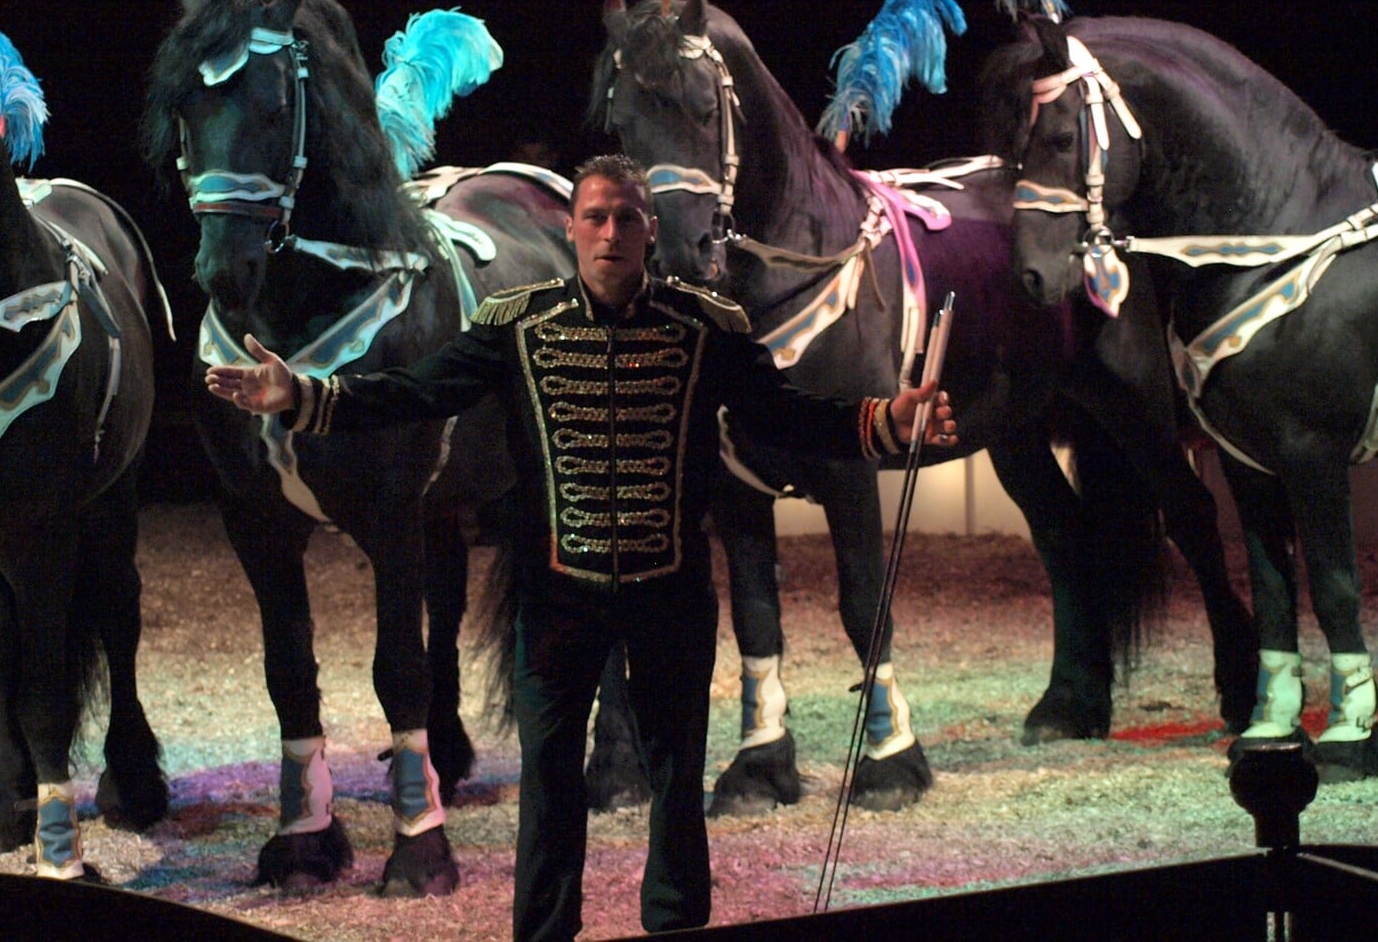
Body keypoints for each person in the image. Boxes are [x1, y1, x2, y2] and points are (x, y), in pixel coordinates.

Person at [207, 153, 955, 940]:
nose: (610, 234)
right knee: (551, 796)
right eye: (595, 218)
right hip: (557, 603)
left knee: (675, 795)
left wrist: (884, 422)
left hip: (671, 598)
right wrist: (305, 396)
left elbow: (786, 415)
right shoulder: (517, 325)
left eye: (626, 218)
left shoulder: (705, 327)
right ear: (570, 230)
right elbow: (419, 392)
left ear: (650, 231)